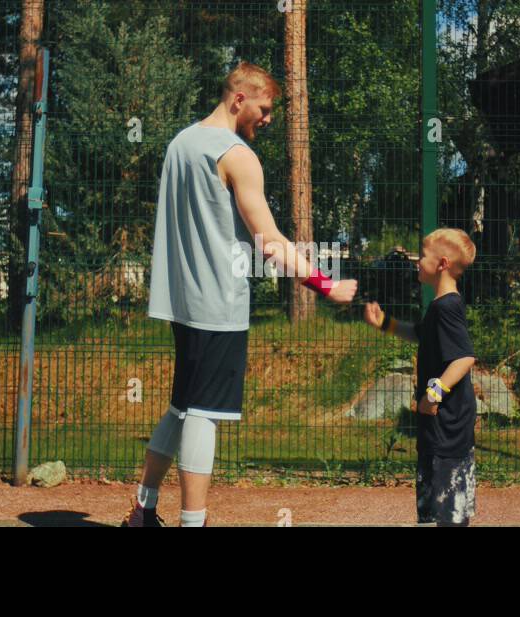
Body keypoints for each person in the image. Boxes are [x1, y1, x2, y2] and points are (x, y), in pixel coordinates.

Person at [124, 62, 358, 527]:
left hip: (180, 304)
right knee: (203, 415)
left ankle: (143, 510)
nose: (268, 119)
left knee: (181, 406)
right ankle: (194, 522)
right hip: (216, 304)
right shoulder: (237, 155)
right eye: (265, 108)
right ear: (239, 100)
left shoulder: (180, 143)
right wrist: (326, 283)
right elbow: (269, 243)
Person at [364, 228, 478, 526]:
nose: (417, 260)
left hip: (447, 427)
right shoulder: (439, 306)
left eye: (423, 255)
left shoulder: (447, 307)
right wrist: (385, 323)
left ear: (441, 263)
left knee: (447, 512)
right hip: (437, 427)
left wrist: (434, 392)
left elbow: (464, 357)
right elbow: (418, 334)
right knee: (431, 506)